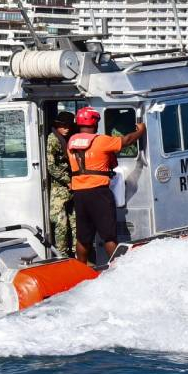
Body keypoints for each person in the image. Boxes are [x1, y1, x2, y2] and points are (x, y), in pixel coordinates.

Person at [66, 106, 145, 265]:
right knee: (109, 236)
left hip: (80, 195)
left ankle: (80, 270)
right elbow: (127, 141)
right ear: (94, 123)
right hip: (99, 193)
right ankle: (118, 269)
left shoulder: (71, 142)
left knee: (83, 238)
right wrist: (140, 131)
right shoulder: (101, 141)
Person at [45, 110, 76, 257]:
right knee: (60, 223)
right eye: (63, 126)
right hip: (60, 187)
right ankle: (62, 255)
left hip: (72, 185)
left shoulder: (69, 138)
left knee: (75, 223)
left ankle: (77, 253)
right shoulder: (53, 139)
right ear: (57, 126)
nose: (66, 128)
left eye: (68, 125)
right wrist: (67, 180)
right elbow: (51, 166)